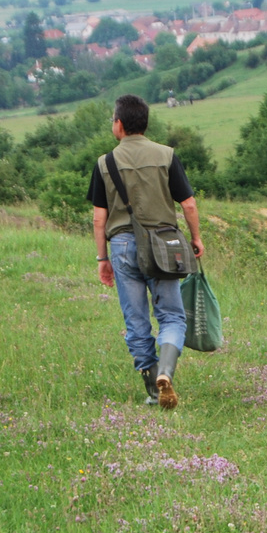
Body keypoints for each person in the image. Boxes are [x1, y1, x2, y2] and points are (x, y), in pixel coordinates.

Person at [90, 94, 204, 409]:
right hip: (163, 245)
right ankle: (166, 372)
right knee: (171, 316)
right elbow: (189, 203)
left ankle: (155, 390)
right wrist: (195, 239)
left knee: (136, 319)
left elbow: (100, 218)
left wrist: (102, 258)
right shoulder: (167, 155)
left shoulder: (105, 162)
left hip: (123, 245)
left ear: (119, 124)